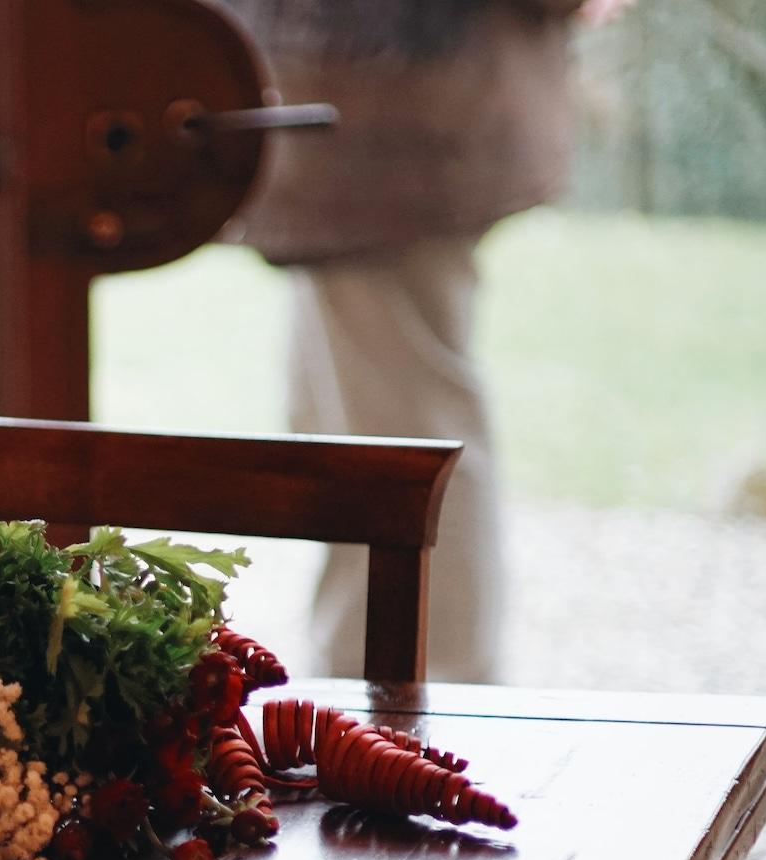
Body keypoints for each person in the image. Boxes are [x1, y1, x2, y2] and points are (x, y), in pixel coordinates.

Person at [227, 0, 613, 682]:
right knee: (349, 430)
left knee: (401, 446)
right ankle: (388, 696)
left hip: (393, 119)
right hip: (377, 112)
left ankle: (417, 703)